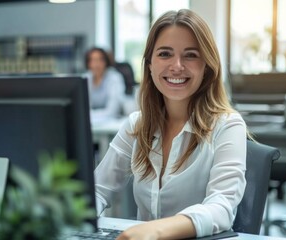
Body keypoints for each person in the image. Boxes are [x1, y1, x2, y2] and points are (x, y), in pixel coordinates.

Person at [94, 9, 247, 239]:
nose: (177, 66)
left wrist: (156, 230)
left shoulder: (228, 125)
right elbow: (96, 190)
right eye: (165, 54)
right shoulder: (137, 124)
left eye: (191, 55)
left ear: (207, 65)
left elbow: (221, 207)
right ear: (149, 64)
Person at [84, 47, 125, 121]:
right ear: (88, 63)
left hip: (111, 123)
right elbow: (83, 108)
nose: (97, 64)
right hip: (91, 123)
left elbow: (112, 111)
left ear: (106, 62)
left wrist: (88, 115)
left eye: (100, 60)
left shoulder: (114, 78)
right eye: (93, 60)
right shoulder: (86, 78)